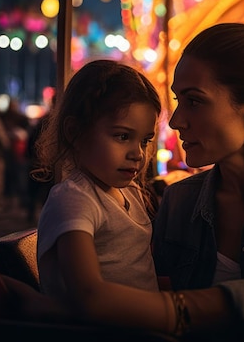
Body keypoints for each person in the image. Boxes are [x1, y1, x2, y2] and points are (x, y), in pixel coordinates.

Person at [5, 10, 244, 340]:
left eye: (194, 101)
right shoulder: (180, 200)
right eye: (177, 102)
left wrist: (160, 313)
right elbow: (140, 283)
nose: (175, 121)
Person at [30, 59, 163, 321]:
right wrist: (177, 308)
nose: (138, 154)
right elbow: (89, 295)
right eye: (123, 136)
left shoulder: (131, 193)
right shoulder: (75, 199)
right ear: (74, 132)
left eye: (145, 140)